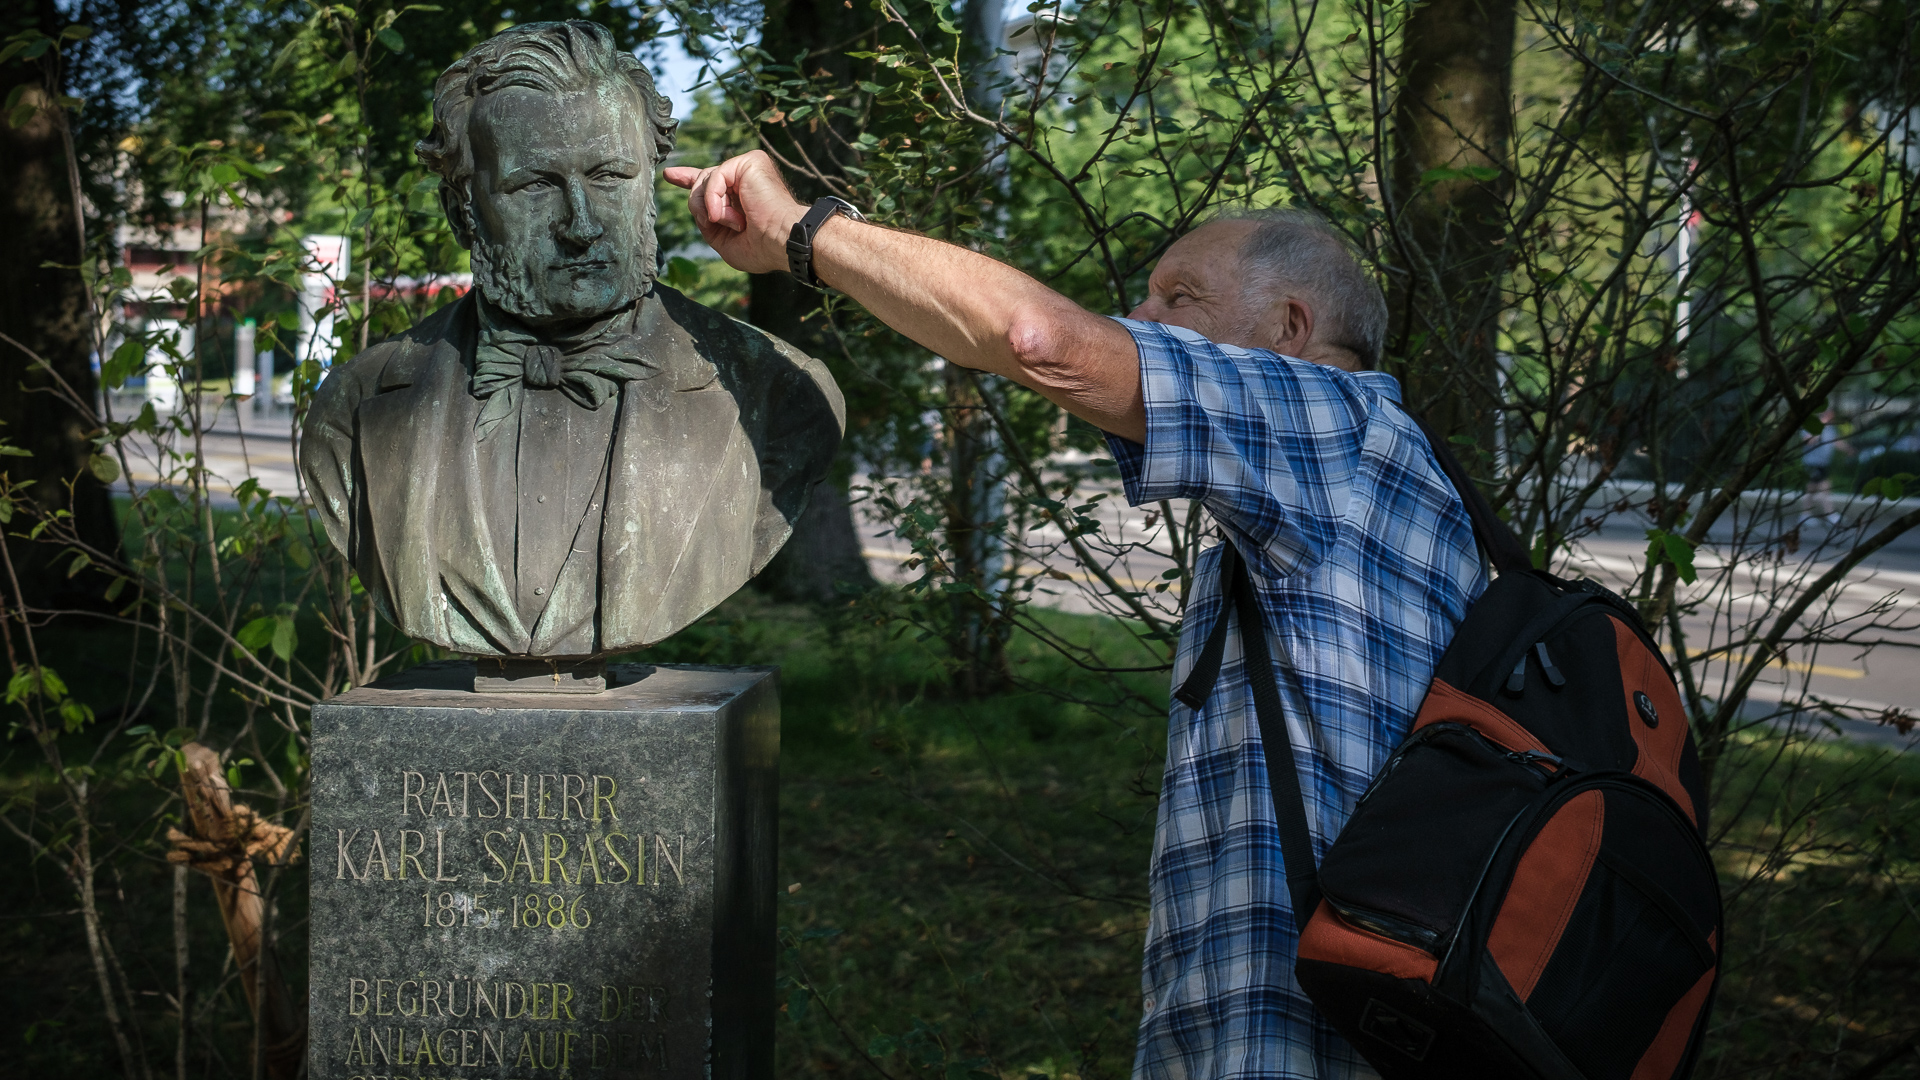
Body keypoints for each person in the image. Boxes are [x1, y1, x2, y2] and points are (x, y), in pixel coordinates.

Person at [664, 151, 1485, 1079]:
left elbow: (1037, 337)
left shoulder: (1334, 427)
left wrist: (802, 233)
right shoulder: (1339, 484)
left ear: (1292, 327)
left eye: (1181, 295)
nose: (1141, 319)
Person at [300, 24, 844, 661]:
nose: (581, 226)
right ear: (462, 210)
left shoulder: (779, 396)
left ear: (650, 184)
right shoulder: (357, 411)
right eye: (534, 186)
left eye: (610, 176)